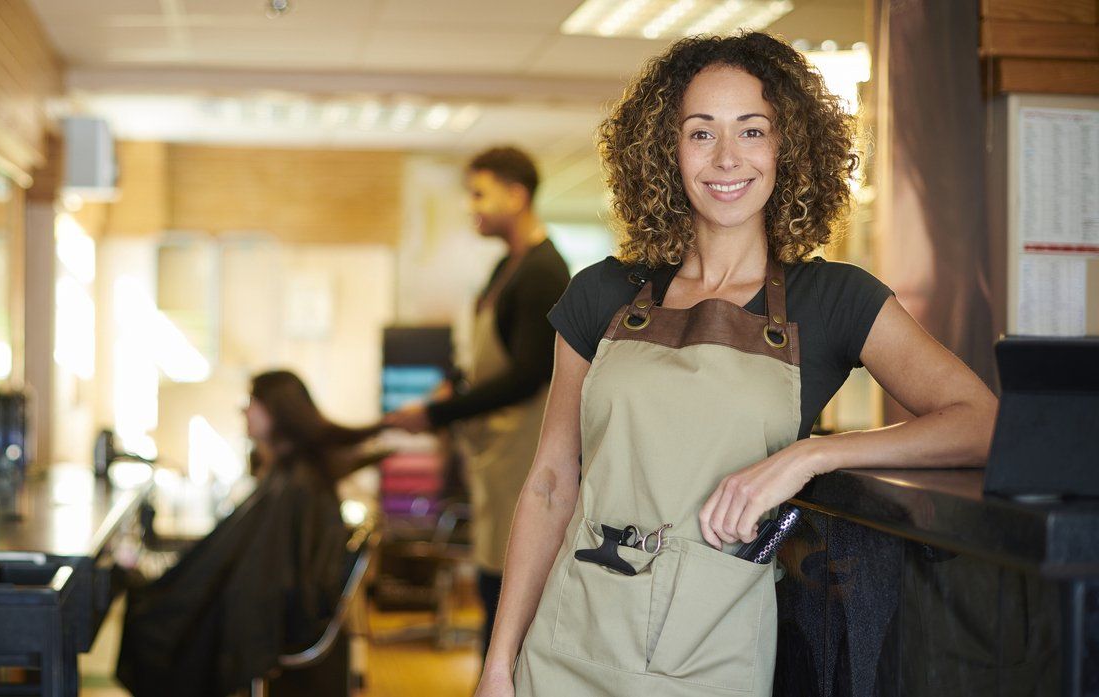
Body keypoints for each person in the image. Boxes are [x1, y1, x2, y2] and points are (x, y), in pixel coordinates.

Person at [474, 33, 999, 697]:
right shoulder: (602, 292)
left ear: (789, 146)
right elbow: (551, 482)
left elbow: (981, 420)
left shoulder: (833, 300)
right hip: (565, 646)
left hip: (710, 658)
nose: (727, 157)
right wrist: (498, 664)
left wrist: (811, 456)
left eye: (753, 130)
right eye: (701, 133)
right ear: (666, 149)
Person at [383, 146, 570, 656]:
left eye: (479, 194)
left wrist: (437, 413)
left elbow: (528, 376)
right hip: (496, 452)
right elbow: (488, 358)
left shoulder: (544, 273)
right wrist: (454, 386)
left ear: (517, 195)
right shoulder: (505, 269)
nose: (473, 207)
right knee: (493, 581)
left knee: (512, 586)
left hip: (524, 453)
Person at [117, 371, 381, 697]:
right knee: (164, 602)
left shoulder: (295, 485)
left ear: (277, 410)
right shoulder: (294, 476)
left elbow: (263, 579)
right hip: (265, 608)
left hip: (272, 621)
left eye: (252, 402)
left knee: (157, 620)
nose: (244, 411)